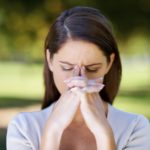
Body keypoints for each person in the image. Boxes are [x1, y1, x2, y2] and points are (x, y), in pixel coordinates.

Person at [7, 6, 150, 150]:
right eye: (67, 67)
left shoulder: (134, 128)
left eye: (92, 69)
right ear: (50, 60)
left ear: (109, 63)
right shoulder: (24, 128)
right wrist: (53, 130)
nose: (80, 81)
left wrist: (103, 133)